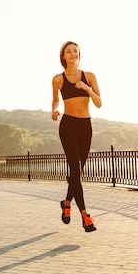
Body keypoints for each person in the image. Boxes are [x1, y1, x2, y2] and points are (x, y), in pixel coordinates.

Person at [51, 41, 102, 232]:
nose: (72, 54)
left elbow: (99, 103)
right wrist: (54, 111)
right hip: (68, 125)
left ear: (79, 54)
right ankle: (85, 216)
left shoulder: (89, 76)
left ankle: (66, 203)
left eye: (75, 51)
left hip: (85, 126)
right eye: (68, 52)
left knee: (77, 172)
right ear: (63, 56)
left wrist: (86, 88)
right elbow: (56, 100)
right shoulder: (58, 79)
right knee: (75, 167)